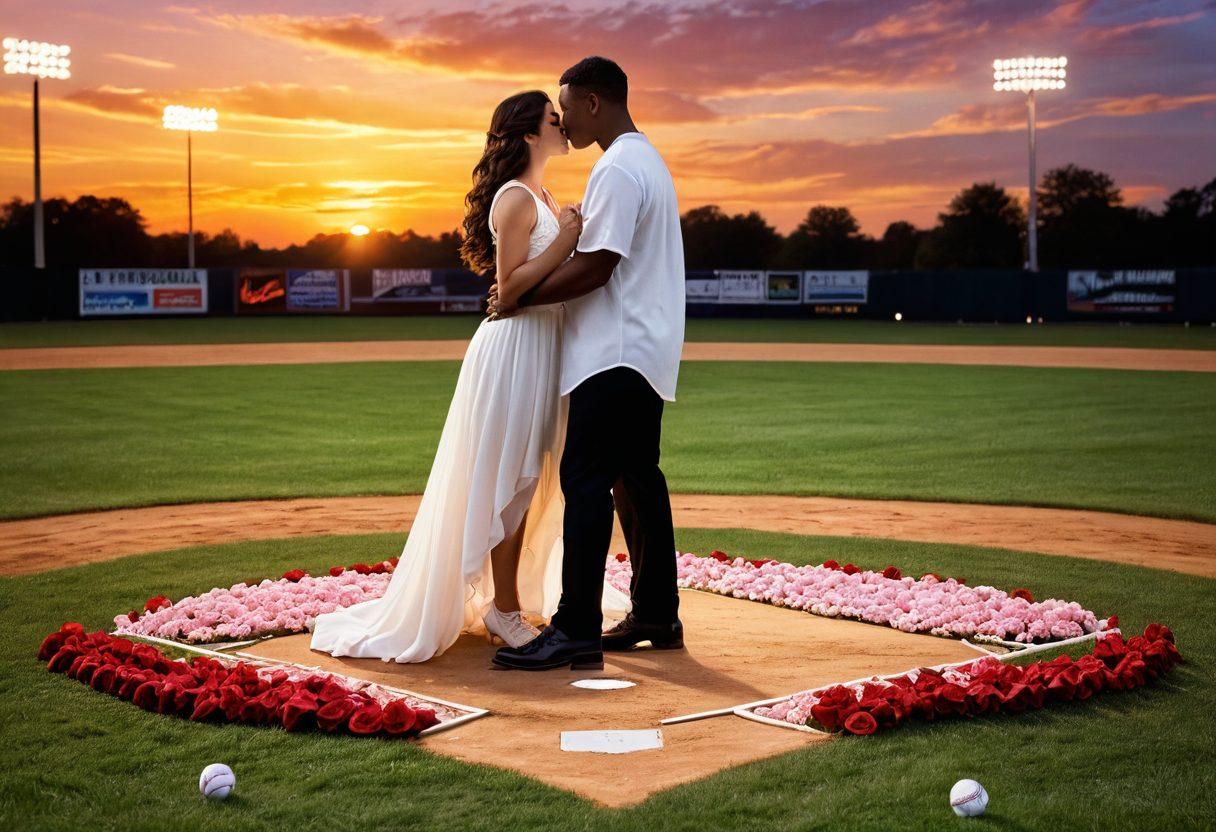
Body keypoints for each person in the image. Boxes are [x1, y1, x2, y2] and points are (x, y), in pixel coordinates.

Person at [309, 90, 602, 662]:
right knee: (510, 482)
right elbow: (510, 288)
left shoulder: (543, 195)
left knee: (526, 482)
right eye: (551, 118)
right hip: (514, 349)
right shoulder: (515, 199)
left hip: (542, 348)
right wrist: (567, 239)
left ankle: (506, 604)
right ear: (525, 134)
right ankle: (505, 611)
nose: (562, 124)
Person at [489, 56, 687, 671]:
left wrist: (521, 296)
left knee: (587, 480)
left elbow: (600, 263)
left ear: (595, 103)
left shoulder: (620, 167)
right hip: (643, 346)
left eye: (568, 104)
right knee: (638, 480)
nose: (565, 117)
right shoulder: (643, 158)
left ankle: (575, 627)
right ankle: (658, 612)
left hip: (615, 350)